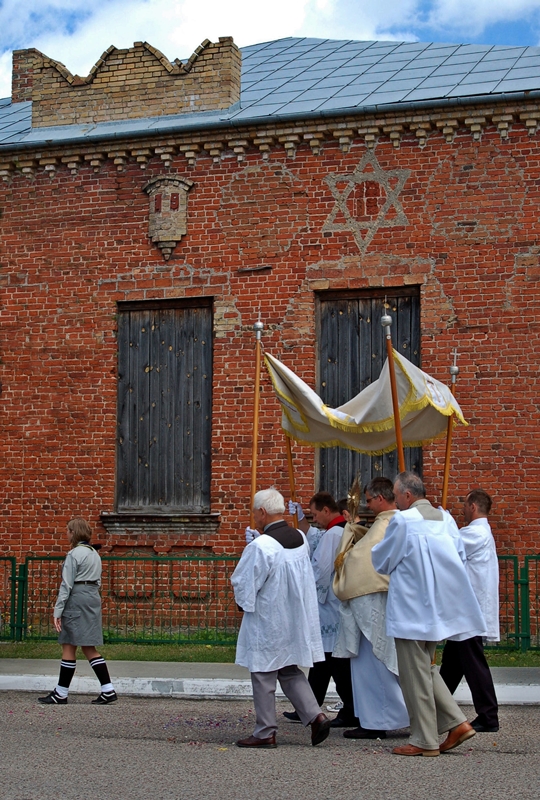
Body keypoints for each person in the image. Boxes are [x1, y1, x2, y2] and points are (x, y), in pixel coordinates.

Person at [371, 471, 486, 756]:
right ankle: (456, 723)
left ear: (407, 496)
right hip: (438, 607)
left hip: (411, 607)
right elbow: (459, 557)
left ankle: (424, 739)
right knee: (424, 668)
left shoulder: (403, 520)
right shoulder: (446, 519)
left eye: (396, 496)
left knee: (413, 674)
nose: (395, 502)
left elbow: (383, 560)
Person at [232, 488, 332, 748]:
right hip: (293, 616)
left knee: (263, 672)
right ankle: (316, 715)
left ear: (262, 512)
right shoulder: (299, 537)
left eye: (255, 512)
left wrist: (243, 602)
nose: (254, 516)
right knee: (288, 669)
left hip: (269, 619)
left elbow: (245, 583)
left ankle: (265, 731)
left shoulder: (262, 546)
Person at [333, 477, 409, 739]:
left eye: (368, 499)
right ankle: (384, 717)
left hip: (374, 601)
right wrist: (355, 531)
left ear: (380, 498)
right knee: (380, 663)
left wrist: (349, 541)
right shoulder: (387, 523)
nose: (366, 504)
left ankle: (378, 720)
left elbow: (361, 560)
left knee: (375, 663)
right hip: (384, 601)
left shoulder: (390, 521)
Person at [285, 491, 358, 728]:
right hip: (336, 605)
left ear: (327, 511)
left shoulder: (333, 534)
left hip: (330, 606)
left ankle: (351, 709)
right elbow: (312, 536)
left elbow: (320, 571)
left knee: (334, 662)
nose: (314, 519)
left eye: (315, 514)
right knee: (323, 662)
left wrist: (300, 585)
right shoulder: (340, 531)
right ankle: (309, 708)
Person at [38, 518, 117, 705]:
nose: (66, 534)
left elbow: (66, 585)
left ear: (74, 532)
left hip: (77, 597)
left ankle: (61, 693)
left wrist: (58, 610)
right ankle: (108, 689)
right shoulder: (94, 554)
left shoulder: (74, 554)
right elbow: (98, 580)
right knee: (89, 645)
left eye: (68, 530)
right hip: (92, 597)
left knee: (68, 643)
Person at [440, 489, 500, 733]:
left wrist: (443, 521)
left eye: (465, 505)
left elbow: (450, 544)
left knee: (473, 665)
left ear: (473, 506)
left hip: (470, 611)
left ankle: (488, 715)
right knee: (452, 664)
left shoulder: (475, 533)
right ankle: (435, 708)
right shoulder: (479, 532)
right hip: (465, 610)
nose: (462, 510)